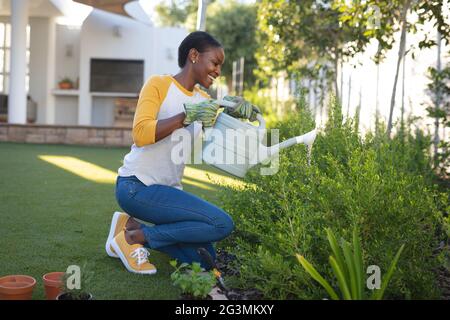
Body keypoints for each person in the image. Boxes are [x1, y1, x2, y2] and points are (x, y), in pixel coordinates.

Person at [105, 31, 257, 275]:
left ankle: (128, 226)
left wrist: (233, 111)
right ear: (194, 55)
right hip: (136, 186)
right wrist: (186, 116)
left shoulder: (203, 99)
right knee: (221, 223)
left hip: (167, 192)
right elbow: (140, 134)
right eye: (215, 62)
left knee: (204, 260)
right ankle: (135, 238)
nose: (218, 71)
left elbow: (219, 140)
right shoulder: (159, 84)